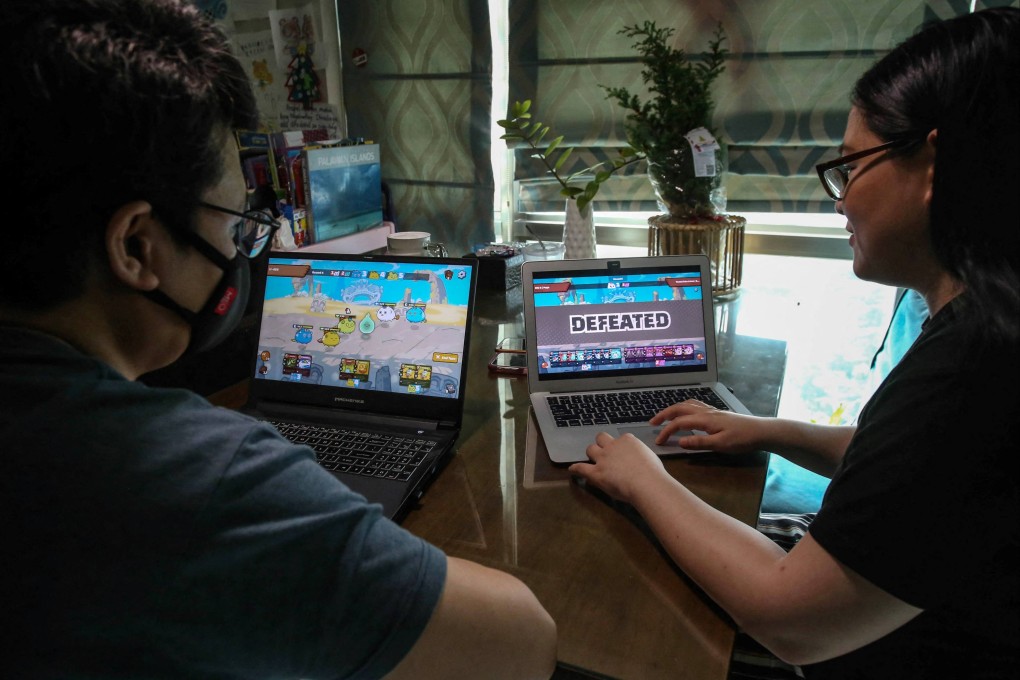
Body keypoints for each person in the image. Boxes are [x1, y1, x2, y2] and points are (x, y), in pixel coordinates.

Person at [0, 1, 556, 678]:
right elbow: (521, 642)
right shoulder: (203, 480)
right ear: (137, 246)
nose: (242, 250)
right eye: (235, 225)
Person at [569, 8, 1019, 679]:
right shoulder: (985, 327)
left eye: (850, 168)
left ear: (931, 164)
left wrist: (643, 480)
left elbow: (789, 619)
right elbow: (910, 465)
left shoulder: (975, 362)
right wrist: (769, 431)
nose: (839, 201)